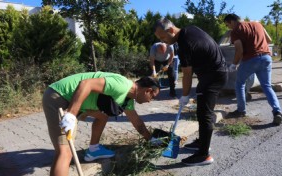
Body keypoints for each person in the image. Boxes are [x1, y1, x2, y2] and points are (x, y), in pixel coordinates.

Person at [42, 72, 161, 176]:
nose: (150, 101)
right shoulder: (122, 85)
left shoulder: (127, 99)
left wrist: (150, 139)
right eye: (152, 97)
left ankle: (93, 149)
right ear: (148, 90)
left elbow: (137, 122)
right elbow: (85, 84)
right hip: (59, 96)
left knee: (103, 115)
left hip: (77, 102)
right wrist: (71, 115)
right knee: (65, 152)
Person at [153, 18, 228, 166]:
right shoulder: (190, 30)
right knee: (205, 110)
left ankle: (203, 155)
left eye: (163, 37)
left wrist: (185, 96)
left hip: (212, 76)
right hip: (215, 73)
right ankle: (202, 142)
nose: (163, 41)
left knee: (204, 114)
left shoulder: (184, 44)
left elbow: (187, 73)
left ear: (171, 30)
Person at [224, 14, 282, 125]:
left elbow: (239, 50)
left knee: (239, 83)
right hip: (266, 58)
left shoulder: (236, 31)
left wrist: (234, 64)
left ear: (231, 21)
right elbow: (269, 40)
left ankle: (241, 110)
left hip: (250, 59)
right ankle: (277, 111)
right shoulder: (258, 24)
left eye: (228, 25)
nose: (229, 27)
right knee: (267, 86)